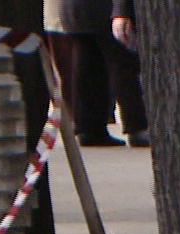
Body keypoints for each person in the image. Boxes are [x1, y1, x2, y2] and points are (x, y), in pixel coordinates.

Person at [59, 0, 146, 146]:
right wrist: (122, 11)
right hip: (105, 9)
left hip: (76, 9)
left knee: (88, 65)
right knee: (122, 66)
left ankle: (89, 128)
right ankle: (137, 126)